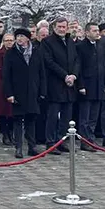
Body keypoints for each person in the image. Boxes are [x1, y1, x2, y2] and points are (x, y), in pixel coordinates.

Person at [41, 17, 81, 155]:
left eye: (64, 27)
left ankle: (61, 140)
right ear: (54, 27)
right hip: (55, 84)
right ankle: (50, 142)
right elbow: (49, 62)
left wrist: (74, 75)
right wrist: (65, 75)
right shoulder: (47, 42)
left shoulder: (70, 41)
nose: (62, 29)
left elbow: (76, 60)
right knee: (53, 115)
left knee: (66, 115)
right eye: (59, 27)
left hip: (70, 85)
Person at [3, 28, 44, 159]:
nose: (19, 38)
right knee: (17, 120)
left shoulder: (36, 52)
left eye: (22, 36)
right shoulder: (11, 53)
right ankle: (18, 147)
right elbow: (6, 75)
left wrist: (42, 91)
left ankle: (32, 146)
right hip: (17, 92)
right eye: (17, 36)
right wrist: (9, 93)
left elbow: (42, 73)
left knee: (31, 119)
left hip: (33, 91)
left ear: (28, 38)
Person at [75, 22, 104, 151]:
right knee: (84, 117)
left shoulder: (99, 45)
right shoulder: (80, 47)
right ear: (87, 33)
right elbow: (78, 68)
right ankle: (85, 141)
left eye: (98, 30)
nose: (97, 33)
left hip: (98, 85)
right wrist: (80, 85)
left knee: (94, 116)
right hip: (86, 85)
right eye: (94, 31)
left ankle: (91, 140)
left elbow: (103, 67)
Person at [0, 33, 15, 145]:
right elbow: (0, 69)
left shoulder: (16, 53)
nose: (9, 42)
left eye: (11, 40)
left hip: (15, 85)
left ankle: (11, 133)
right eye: (7, 40)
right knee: (3, 111)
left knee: (12, 112)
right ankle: (5, 134)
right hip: (2, 85)